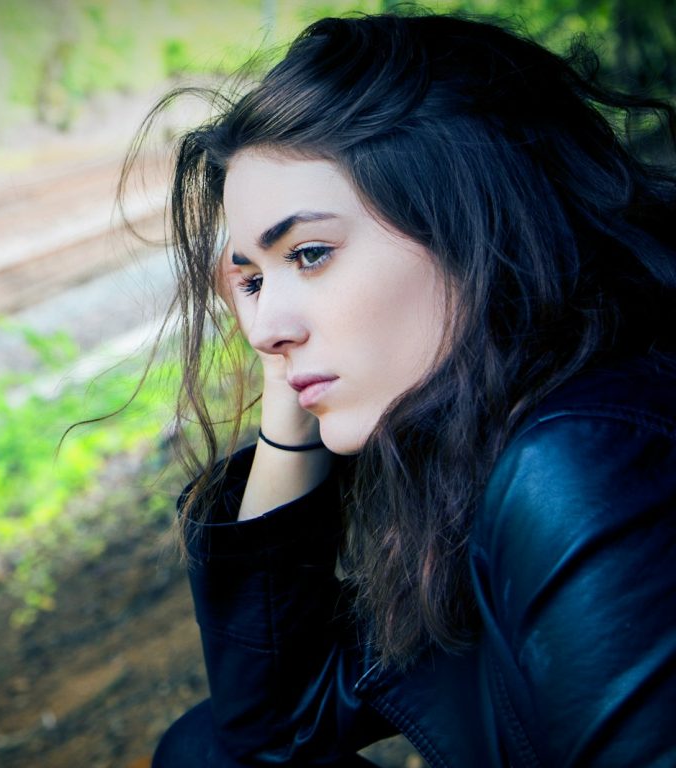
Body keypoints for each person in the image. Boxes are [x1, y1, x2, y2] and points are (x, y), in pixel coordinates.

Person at [127, 10, 676, 767]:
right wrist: (290, 400)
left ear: (471, 221)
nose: (262, 328)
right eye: (251, 278)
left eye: (311, 253)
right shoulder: (477, 436)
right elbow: (273, 724)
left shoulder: (588, 460)